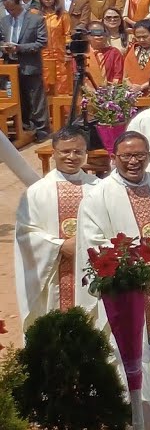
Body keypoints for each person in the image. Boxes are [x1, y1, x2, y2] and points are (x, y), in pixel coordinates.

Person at [74, 131, 150, 396]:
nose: (133, 161)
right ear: (113, 158)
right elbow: (93, 240)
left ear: (149, 157)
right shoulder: (99, 195)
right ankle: (139, 399)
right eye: (127, 156)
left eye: (140, 155)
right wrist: (137, 265)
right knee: (133, 339)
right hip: (127, 287)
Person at [14, 129, 98, 327]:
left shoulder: (99, 187)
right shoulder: (36, 192)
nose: (72, 157)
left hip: (91, 269)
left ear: (86, 152)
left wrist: (89, 244)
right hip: (53, 275)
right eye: (65, 151)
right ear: (53, 152)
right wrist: (58, 246)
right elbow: (25, 233)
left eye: (78, 151)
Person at [1, 0, 50, 139]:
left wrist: (19, 48)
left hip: (30, 64)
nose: (11, 12)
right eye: (8, 10)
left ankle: (41, 129)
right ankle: (24, 127)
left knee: (35, 97)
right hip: (11, 65)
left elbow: (42, 42)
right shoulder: (4, 21)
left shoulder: (36, 19)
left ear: (19, 4)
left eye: (13, 9)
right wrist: (4, 45)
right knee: (17, 96)